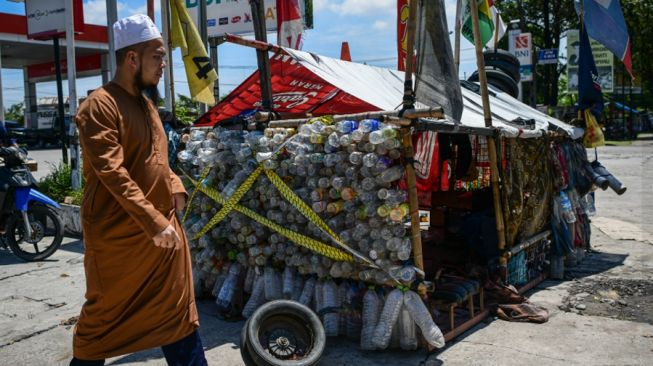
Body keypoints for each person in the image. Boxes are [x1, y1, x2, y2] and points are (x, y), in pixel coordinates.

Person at [71, 14, 206, 365]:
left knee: (179, 319)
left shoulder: (147, 104)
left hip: (162, 240)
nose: (164, 64)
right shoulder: (99, 106)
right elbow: (112, 173)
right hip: (121, 245)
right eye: (158, 56)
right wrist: (153, 222)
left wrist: (173, 184)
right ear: (132, 58)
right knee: (97, 331)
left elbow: (157, 156)